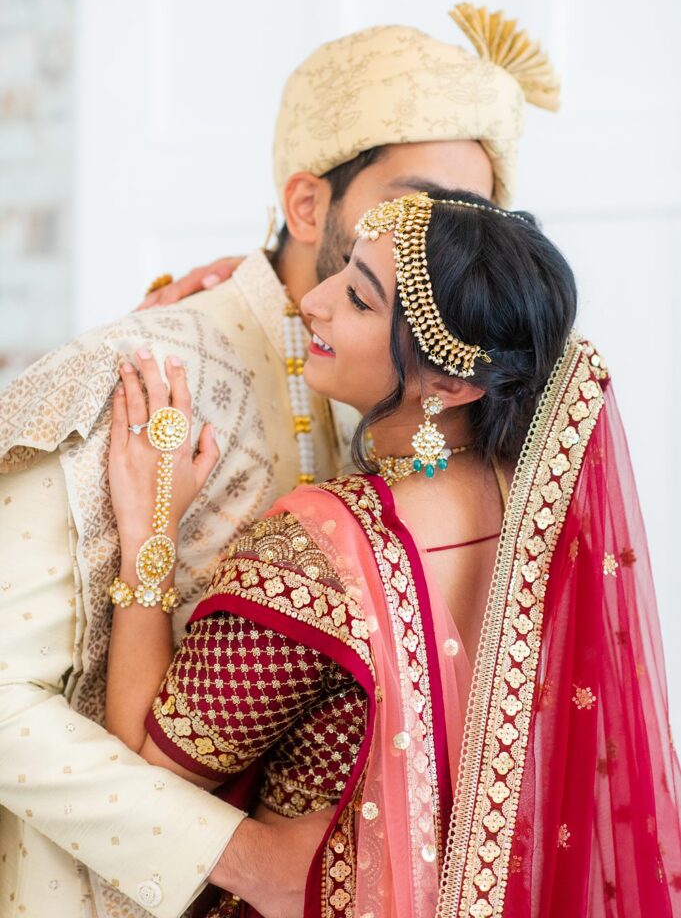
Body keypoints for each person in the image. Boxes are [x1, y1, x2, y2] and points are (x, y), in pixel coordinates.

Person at [0, 3, 559, 918]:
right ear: (307, 204)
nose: (437, 244)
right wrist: (248, 858)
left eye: (469, 214)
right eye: (410, 204)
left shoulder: (423, 400)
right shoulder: (138, 374)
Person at [106, 190, 681, 917]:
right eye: (340, 272)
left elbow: (150, 773)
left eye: (357, 300)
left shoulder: (315, 548)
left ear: (449, 383)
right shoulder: (547, 509)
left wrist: (147, 528)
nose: (312, 301)